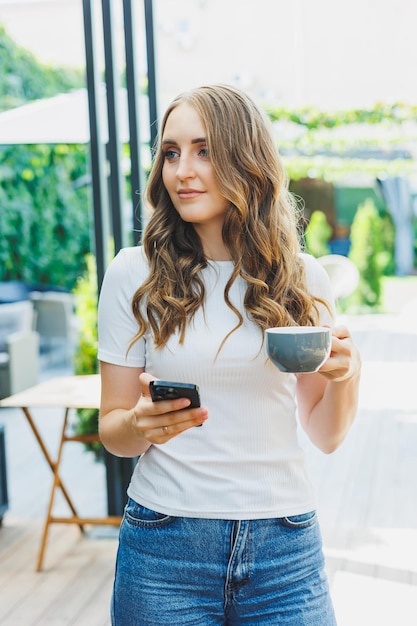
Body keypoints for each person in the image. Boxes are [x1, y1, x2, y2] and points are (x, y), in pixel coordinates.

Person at [97, 84, 361, 625]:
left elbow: (327, 435)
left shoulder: (302, 278)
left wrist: (346, 374)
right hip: (165, 550)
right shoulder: (132, 273)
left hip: (284, 549)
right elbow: (112, 430)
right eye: (170, 153)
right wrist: (142, 425)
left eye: (204, 151)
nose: (181, 171)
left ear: (247, 160)